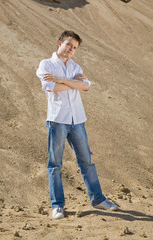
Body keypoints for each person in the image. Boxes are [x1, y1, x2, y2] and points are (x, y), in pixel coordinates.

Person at [36, 30, 118, 219]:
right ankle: (57, 206)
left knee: (87, 161)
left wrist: (64, 80)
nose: (71, 49)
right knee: (55, 164)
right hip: (57, 120)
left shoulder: (75, 66)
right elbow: (51, 87)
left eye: (74, 48)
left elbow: (86, 86)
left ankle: (97, 199)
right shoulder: (46, 64)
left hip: (77, 120)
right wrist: (73, 83)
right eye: (68, 45)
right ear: (59, 43)